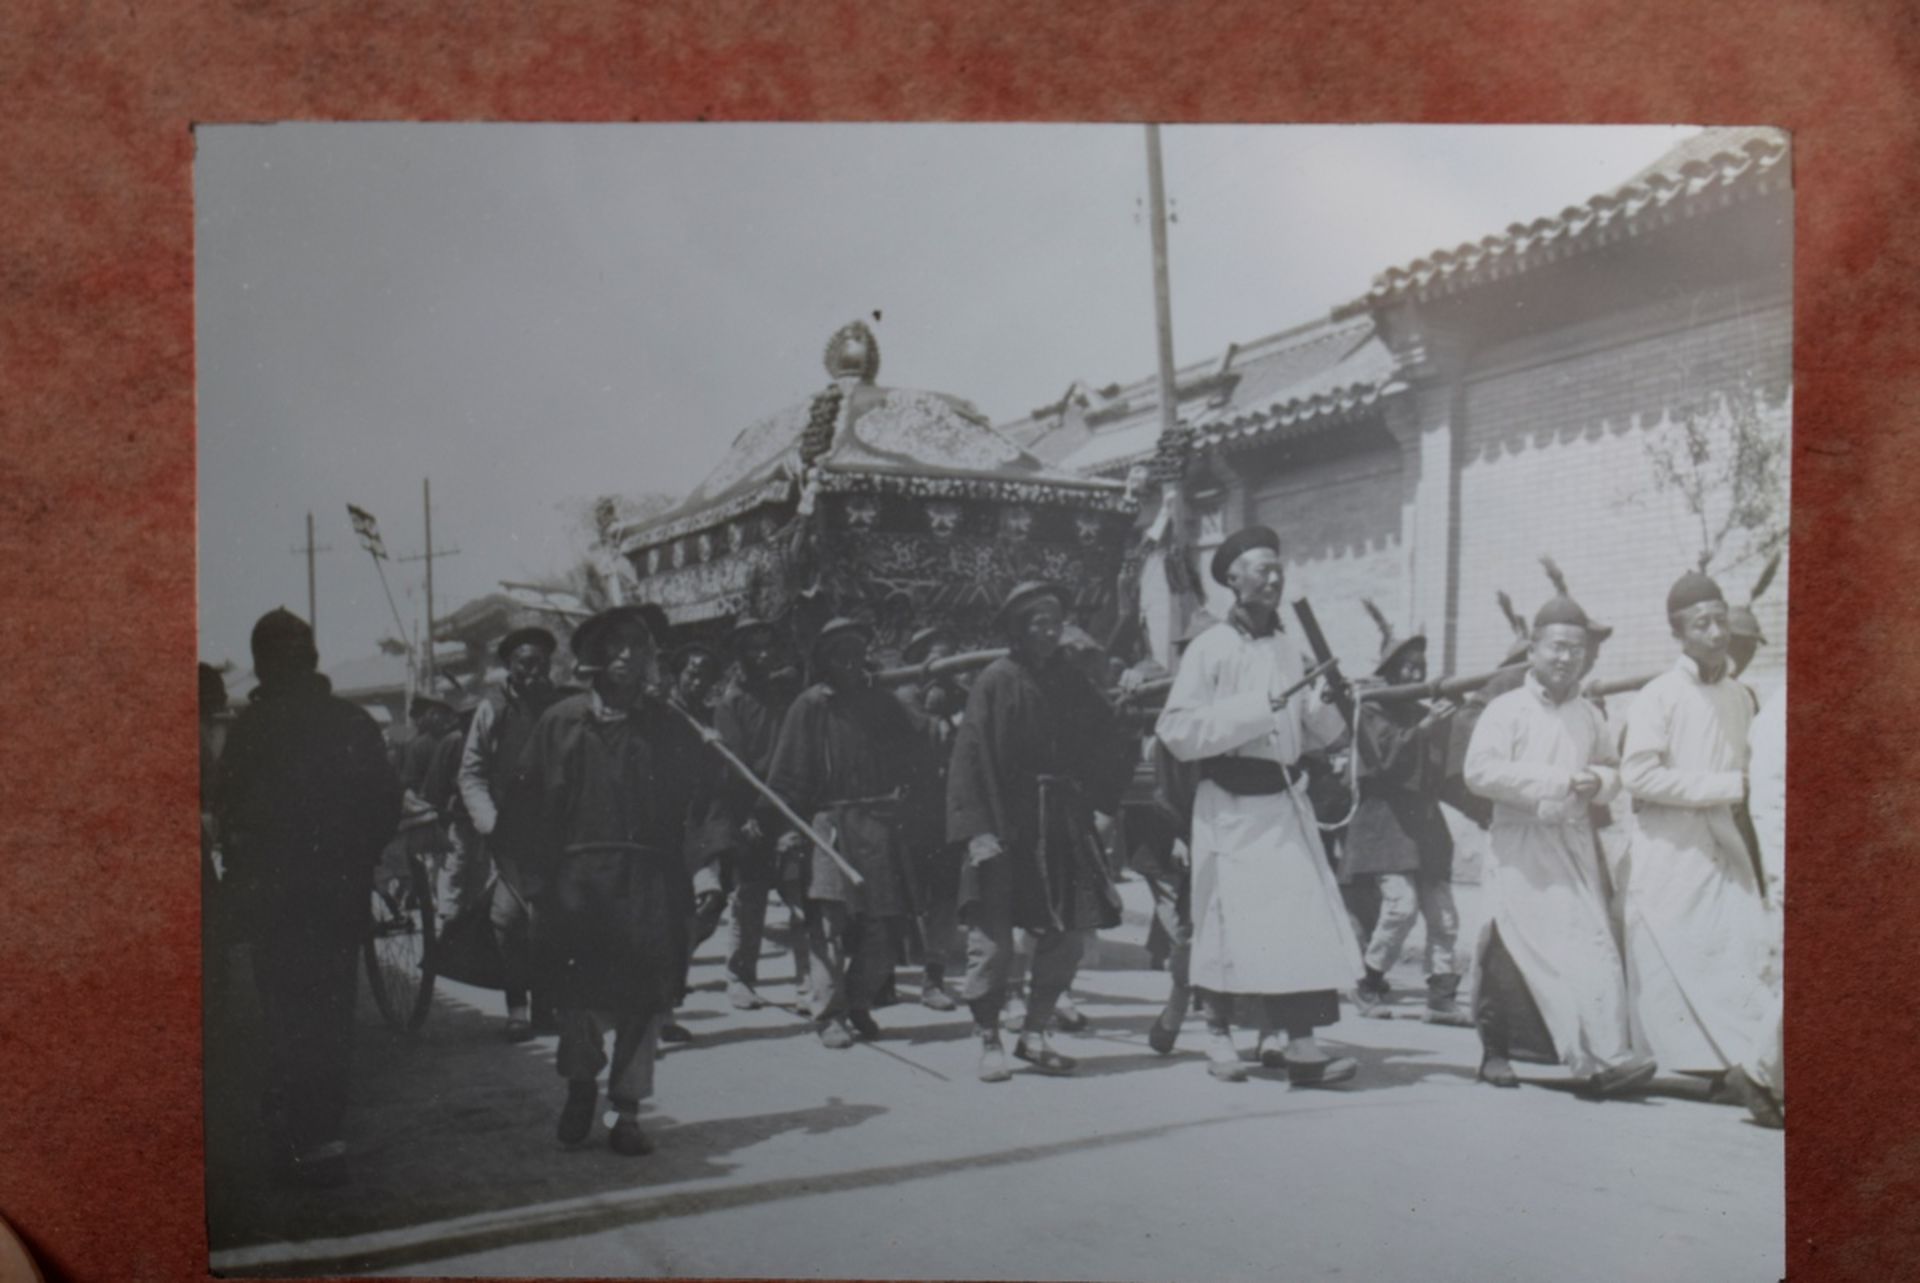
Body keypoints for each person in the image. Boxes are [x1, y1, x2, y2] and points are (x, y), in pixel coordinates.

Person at [1155, 528, 1361, 1086]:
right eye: (1261, 570)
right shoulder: (1210, 649)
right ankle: (1218, 1037)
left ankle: (1300, 1044)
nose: (1273, 579)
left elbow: (1314, 733)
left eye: (1279, 570)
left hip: (1282, 804)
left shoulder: (1290, 647)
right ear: (1232, 579)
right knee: (1225, 921)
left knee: (1298, 921)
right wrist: (1255, 710)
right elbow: (1175, 730)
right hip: (1229, 805)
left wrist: (1330, 709)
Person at [514, 604, 713, 1156]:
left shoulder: (670, 726)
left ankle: (626, 1111)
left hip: (649, 879)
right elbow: (526, 807)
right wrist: (536, 883)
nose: (629, 654)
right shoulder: (561, 723)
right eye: (617, 644)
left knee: (644, 999)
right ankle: (582, 1083)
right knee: (577, 998)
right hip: (577, 882)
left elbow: (700, 801)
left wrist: (703, 865)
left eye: (640, 645)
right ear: (595, 657)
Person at [216, 609, 401, 1184]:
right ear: (314, 658)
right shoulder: (351, 723)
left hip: (273, 898)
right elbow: (384, 804)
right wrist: (357, 859)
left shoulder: (251, 728)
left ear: (263, 665)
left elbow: (228, 810)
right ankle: (320, 1138)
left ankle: (290, 1120)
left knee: (282, 1011)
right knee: (329, 1012)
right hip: (335, 893)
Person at [1462, 592, 1655, 1097]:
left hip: (1570, 843)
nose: (1566, 658)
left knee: (1589, 947)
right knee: (1511, 950)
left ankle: (1602, 1060)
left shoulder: (1589, 714)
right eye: (1556, 647)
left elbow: (1614, 769)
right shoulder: (1507, 709)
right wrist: (1556, 781)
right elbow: (1479, 772)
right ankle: (1494, 1053)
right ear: (1533, 649)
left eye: (1576, 649)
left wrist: (1596, 781)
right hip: (1519, 846)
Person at [947, 583, 1132, 1081]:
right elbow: (970, 758)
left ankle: (1034, 1032)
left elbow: (1109, 735)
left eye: (1055, 622)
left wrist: (1103, 803)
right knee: (993, 939)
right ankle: (988, 1037)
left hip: (1061, 822)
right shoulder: (996, 680)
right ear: (1017, 630)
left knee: (1067, 934)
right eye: (1037, 623)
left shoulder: (1071, 681)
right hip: (1007, 823)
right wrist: (978, 832)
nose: (1049, 632)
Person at [1619, 571, 1783, 1128]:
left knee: (1741, 950)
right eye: (1701, 624)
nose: (1716, 633)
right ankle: (1714, 1067)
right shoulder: (1658, 696)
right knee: (1681, 956)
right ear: (1678, 633)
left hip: (1725, 842)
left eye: (1720, 620)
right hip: (1672, 847)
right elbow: (1638, 775)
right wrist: (1722, 789)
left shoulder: (1739, 696)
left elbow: (1751, 770)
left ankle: (1746, 1064)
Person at [765, 618, 927, 1049]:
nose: (851, 664)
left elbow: (914, 755)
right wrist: (787, 829)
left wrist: (904, 798)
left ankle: (859, 1001)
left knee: (885, 926)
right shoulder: (812, 705)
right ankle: (829, 1013)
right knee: (828, 922)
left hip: (877, 824)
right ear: (825, 661)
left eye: (857, 655)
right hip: (827, 824)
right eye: (841, 656)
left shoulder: (883, 703)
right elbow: (787, 777)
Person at [1345, 616, 1463, 1023]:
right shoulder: (1373, 709)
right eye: (1407, 666)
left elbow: (1439, 770)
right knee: (1400, 908)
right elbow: (1387, 762)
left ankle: (1442, 995)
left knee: (1444, 915)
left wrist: (1448, 721)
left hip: (1425, 825)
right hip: (1386, 825)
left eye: (1419, 665)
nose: (1415, 672)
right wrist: (1426, 728)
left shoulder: (1421, 711)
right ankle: (1368, 982)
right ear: (1391, 670)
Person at [457, 625, 565, 1041]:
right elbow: (472, 773)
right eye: (525, 663)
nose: (535, 671)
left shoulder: (564, 706)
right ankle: (517, 1007)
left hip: (558, 831)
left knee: (552, 921)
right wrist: (489, 822)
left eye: (541, 662)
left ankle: (547, 1005)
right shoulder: (493, 710)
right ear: (510, 668)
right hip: (510, 833)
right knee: (508, 919)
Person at [709, 616, 810, 1011]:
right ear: (740, 654)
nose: (763, 654)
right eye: (753, 648)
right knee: (749, 898)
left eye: (768, 646)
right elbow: (733, 767)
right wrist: (747, 815)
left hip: (789, 809)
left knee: (800, 897)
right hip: (752, 812)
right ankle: (739, 977)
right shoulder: (731, 702)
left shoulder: (785, 692)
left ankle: (808, 982)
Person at [895, 624, 965, 1012]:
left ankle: (933, 978)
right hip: (907, 810)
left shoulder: (962, 698)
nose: (943, 668)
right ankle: (882, 975)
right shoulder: (904, 697)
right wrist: (942, 719)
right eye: (935, 657)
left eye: (950, 658)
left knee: (944, 897)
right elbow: (921, 738)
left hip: (946, 812)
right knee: (900, 895)